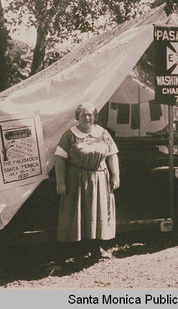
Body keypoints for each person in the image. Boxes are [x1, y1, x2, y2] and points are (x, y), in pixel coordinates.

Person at [54, 102, 120, 258]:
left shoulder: (103, 133)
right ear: (78, 116)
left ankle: (96, 248)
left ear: (95, 116)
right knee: (79, 214)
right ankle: (80, 250)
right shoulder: (70, 135)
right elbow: (59, 159)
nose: (87, 117)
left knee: (98, 214)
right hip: (76, 181)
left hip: (100, 179)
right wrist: (61, 182)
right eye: (84, 114)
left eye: (90, 114)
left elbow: (112, 155)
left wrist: (116, 175)